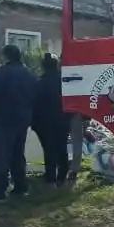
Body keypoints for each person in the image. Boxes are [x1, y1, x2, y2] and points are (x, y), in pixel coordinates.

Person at [0, 44, 37, 200]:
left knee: (1, 154)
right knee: (18, 152)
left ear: (5, 56)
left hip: (2, 118)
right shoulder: (28, 74)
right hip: (22, 118)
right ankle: (20, 186)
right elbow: (34, 97)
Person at [32, 53, 70, 186]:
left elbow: (34, 105)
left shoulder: (39, 83)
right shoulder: (65, 82)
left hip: (44, 123)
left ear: (43, 67)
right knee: (62, 148)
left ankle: (51, 179)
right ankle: (62, 177)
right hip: (63, 120)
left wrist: (34, 123)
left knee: (49, 150)